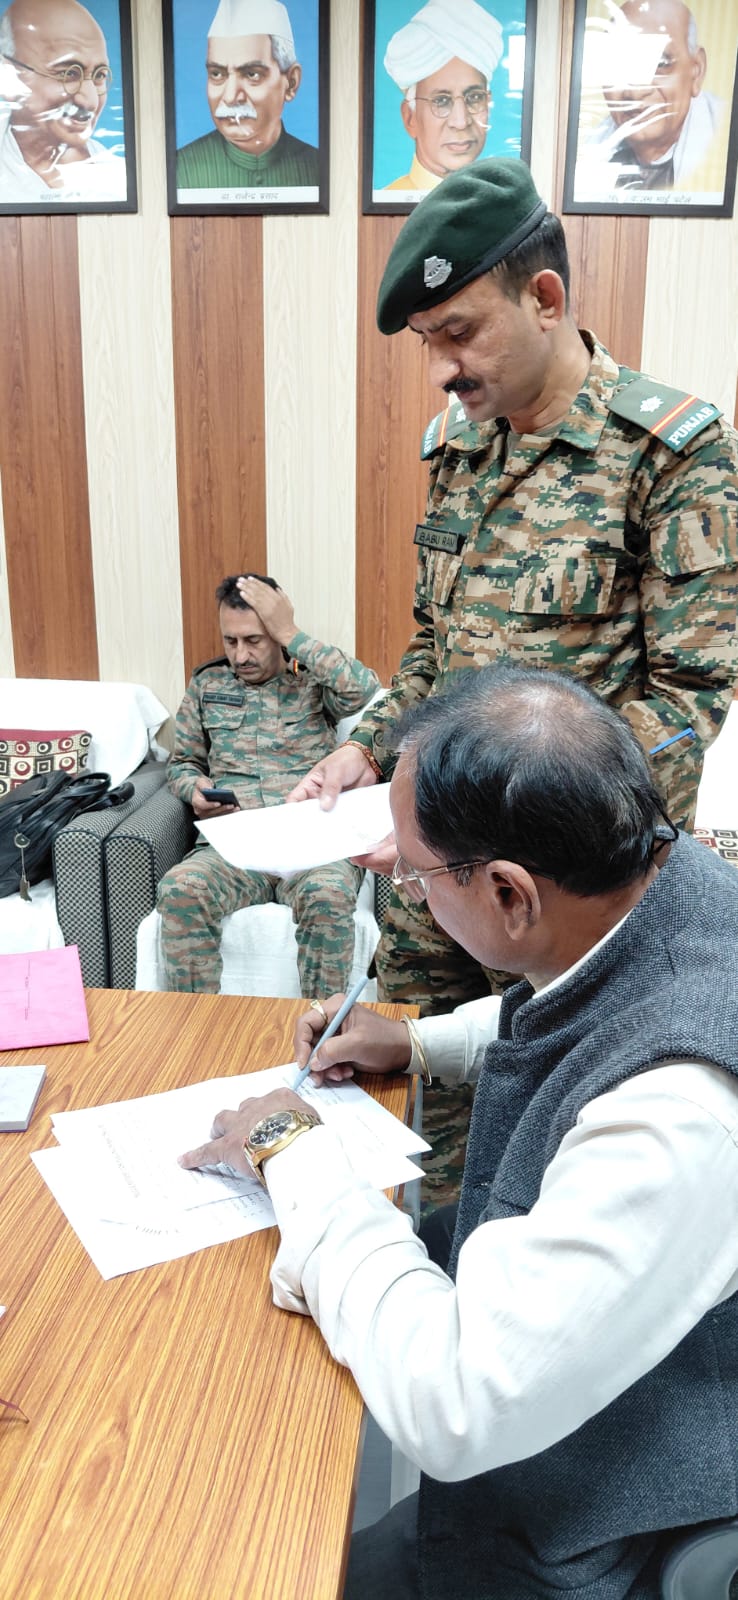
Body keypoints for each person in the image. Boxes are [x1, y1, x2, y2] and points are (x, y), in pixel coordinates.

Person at [180, 663, 738, 1600]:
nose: (406, 888)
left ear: (512, 894)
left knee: (273, 1561)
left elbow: (457, 1406)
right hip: (579, 1404)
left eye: (415, 872)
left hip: (599, 1521)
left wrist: (288, 1145)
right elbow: (588, 1000)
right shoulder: (661, 877)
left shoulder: (681, 1116)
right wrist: (418, 1041)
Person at [290, 156, 738, 1016]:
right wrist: (368, 750)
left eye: (459, 332)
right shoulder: (460, 449)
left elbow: (690, 703)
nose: (440, 369)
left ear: (544, 298)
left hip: (568, 893)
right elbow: (437, 648)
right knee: (408, 1069)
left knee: (553, 1090)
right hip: (436, 880)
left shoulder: (670, 453)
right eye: (427, 341)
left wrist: (490, 820)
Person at [157, 573, 379, 998]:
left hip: (311, 844)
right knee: (180, 890)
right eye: (231, 641)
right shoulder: (208, 685)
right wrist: (194, 789)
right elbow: (182, 763)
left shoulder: (312, 680)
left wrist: (292, 633)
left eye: (254, 640)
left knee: (328, 894)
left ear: (275, 635)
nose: (241, 655)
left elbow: (363, 689)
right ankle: (196, 1026)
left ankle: (322, 1032)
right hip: (237, 846)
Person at [582, 0, 727, 195]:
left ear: (696, 71)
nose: (635, 92)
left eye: (660, 63)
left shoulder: (723, 136)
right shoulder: (591, 150)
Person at [175, 0, 319, 195]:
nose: (230, 97)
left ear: (291, 83)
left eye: (252, 74)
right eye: (217, 74)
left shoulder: (319, 169)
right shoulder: (180, 170)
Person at [0, 0, 127, 202]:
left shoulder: (118, 182)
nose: (90, 101)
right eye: (68, 74)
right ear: (8, 76)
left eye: (99, 76)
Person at [380, 0, 502, 194]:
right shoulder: (389, 197)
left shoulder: (502, 202)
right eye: (441, 101)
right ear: (410, 118)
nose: (461, 122)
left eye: (474, 97)